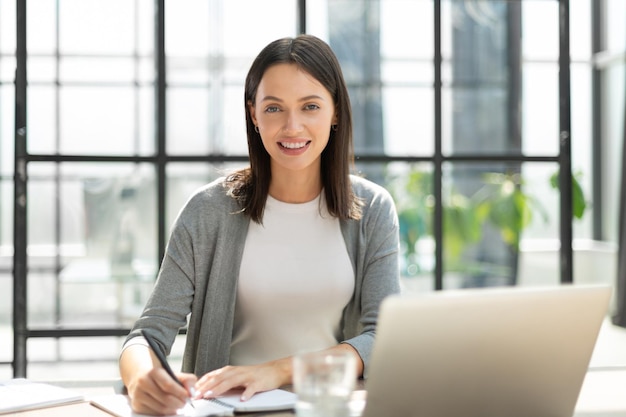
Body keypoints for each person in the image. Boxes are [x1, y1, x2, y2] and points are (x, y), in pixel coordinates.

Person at [119, 34, 400, 416]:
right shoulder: (208, 211)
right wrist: (140, 380)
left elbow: (382, 338)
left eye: (310, 106)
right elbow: (147, 334)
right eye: (274, 109)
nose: (292, 126)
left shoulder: (373, 209)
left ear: (335, 112)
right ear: (253, 114)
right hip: (228, 410)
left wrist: (277, 371)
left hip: (325, 409)